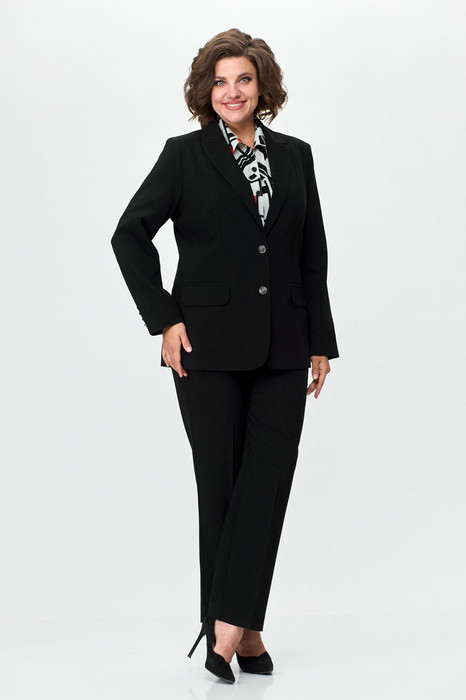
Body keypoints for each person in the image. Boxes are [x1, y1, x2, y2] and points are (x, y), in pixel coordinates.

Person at [110, 27, 339, 684]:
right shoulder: (184, 156)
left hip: (285, 342)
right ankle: (236, 628)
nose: (231, 91)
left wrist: (321, 340)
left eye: (242, 79)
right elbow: (130, 234)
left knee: (267, 483)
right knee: (223, 485)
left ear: (262, 86)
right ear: (204, 91)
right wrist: (164, 318)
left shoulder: (296, 156)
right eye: (218, 81)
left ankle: (233, 625)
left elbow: (312, 253)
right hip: (203, 346)